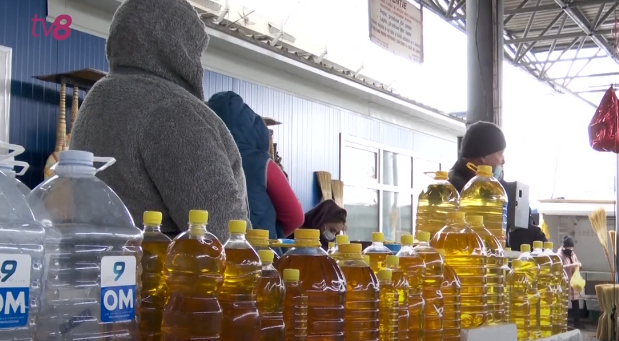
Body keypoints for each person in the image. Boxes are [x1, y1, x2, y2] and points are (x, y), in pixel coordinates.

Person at [70, 0, 249, 241]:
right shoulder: (174, 111)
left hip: (102, 271)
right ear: (181, 47)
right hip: (165, 275)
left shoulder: (99, 96)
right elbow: (224, 232)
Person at [207, 91, 304, 240]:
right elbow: (295, 217)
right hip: (259, 253)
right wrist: (272, 232)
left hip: (212, 250)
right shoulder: (262, 163)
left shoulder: (202, 159)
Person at [448, 121, 547, 249]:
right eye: (500, 154)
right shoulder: (452, 192)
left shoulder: (501, 190)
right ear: (484, 156)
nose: (503, 160)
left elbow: (525, 232)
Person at [558, 237, 582, 329]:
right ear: (564, 247)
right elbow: (559, 267)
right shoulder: (559, 255)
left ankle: (577, 323)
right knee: (564, 302)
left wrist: (579, 265)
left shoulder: (572, 254)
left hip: (573, 281)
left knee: (575, 301)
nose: (570, 251)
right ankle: (563, 322)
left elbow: (577, 262)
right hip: (565, 281)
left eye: (571, 249)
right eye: (569, 249)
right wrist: (571, 266)